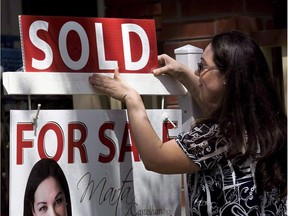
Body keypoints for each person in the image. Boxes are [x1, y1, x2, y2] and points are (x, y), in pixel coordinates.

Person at [89, 31, 287, 215]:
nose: (197, 72)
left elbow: (155, 157)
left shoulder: (219, 136)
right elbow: (215, 102)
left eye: (202, 66)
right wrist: (183, 73)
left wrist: (131, 98)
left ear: (227, 76)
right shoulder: (270, 126)